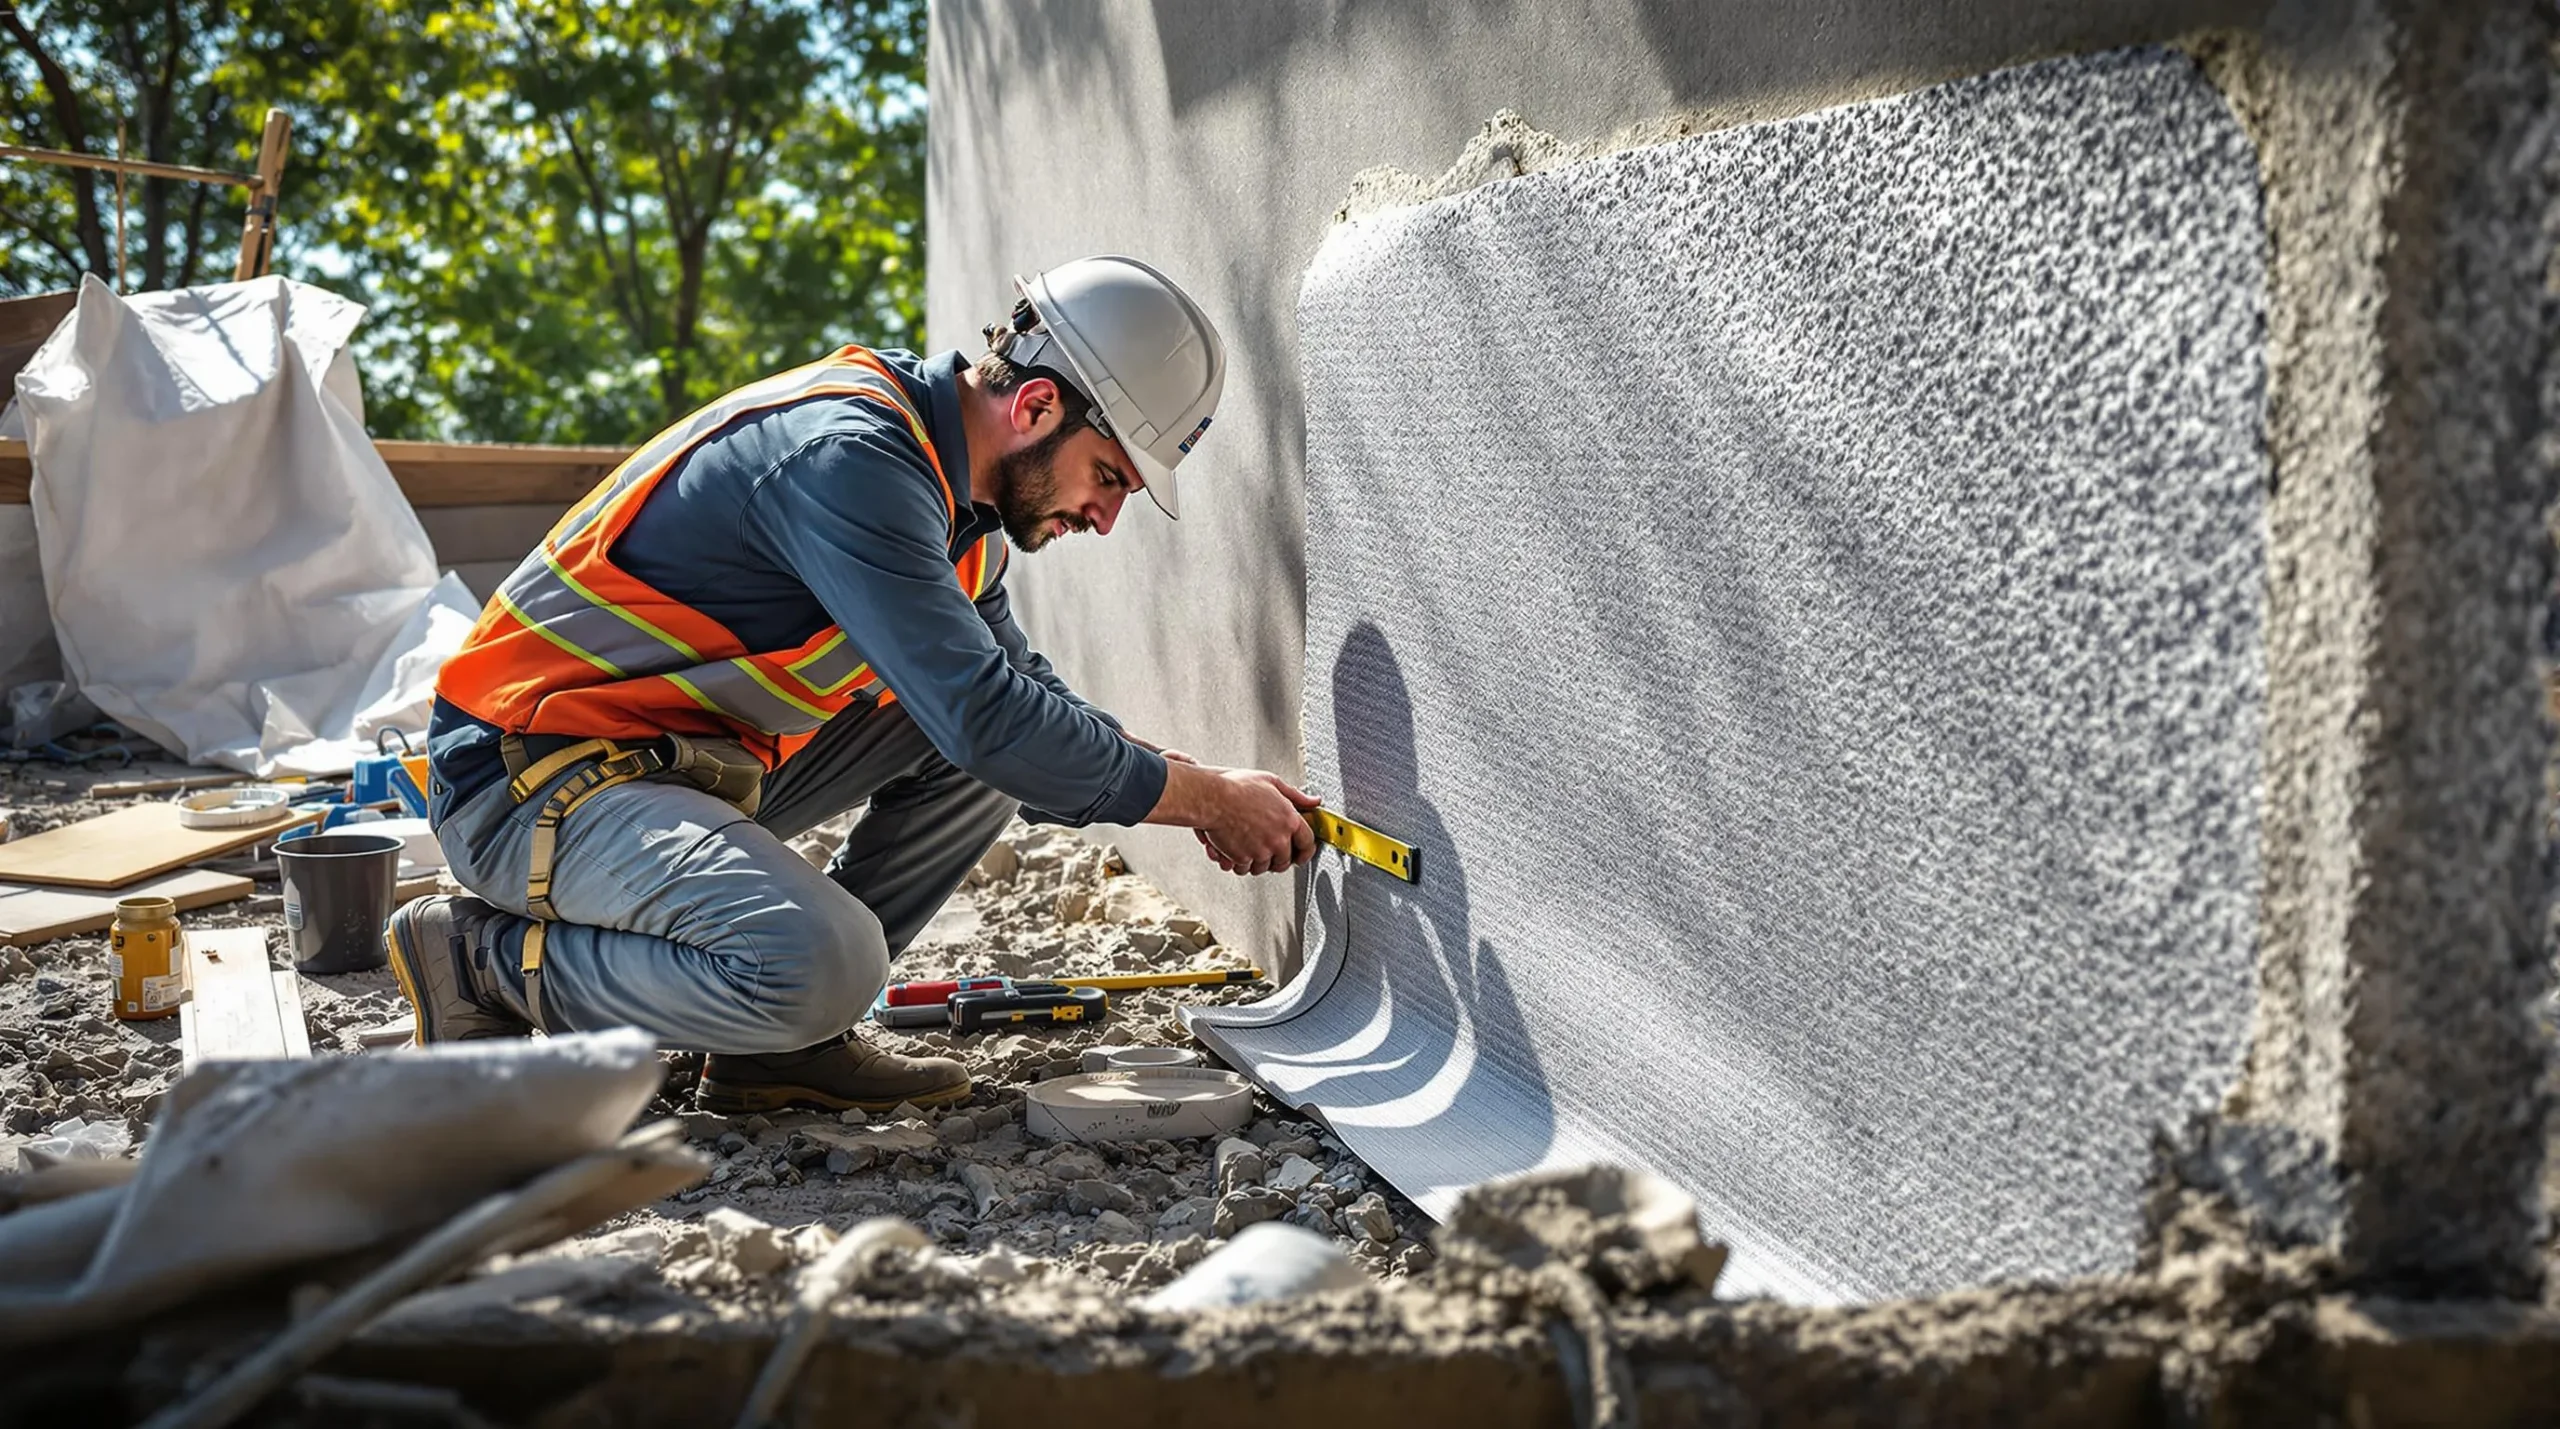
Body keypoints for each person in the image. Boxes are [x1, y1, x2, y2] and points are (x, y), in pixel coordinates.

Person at [387, 256, 1319, 1114]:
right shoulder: (854, 462)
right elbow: (987, 717)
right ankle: (481, 961)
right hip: (524, 777)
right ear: (1037, 406)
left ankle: (777, 1054)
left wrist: (1183, 777)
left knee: (988, 747)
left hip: (658, 764)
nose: (1106, 518)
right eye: (1109, 477)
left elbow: (1015, 701)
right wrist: (1201, 801)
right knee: (825, 964)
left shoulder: (959, 512)